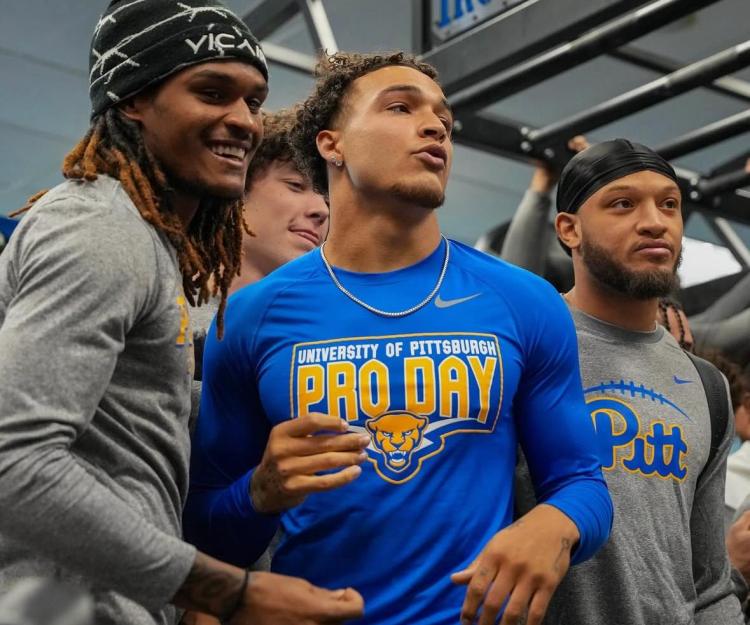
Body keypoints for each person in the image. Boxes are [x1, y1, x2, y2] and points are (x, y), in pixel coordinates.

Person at [184, 51, 613, 625]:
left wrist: (555, 524)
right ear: (332, 144)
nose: (435, 126)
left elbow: (583, 484)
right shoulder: (249, 316)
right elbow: (206, 534)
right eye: (400, 108)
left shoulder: (524, 300)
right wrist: (258, 493)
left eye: (443, 118)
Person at [0, 2, 362, 624]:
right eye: (211, 92)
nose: (243, 120)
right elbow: (14, 460)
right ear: (133, 101)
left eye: (252, 100)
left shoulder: (149, 243)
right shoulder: (99, 230)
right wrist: (227, 591)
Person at [517, 138, 743, 624]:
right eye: (623, 204)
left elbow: (708, 583)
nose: (655, 222)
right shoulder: (519, 352)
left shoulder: (706, 386)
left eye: (669, 205)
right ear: (570, 230)